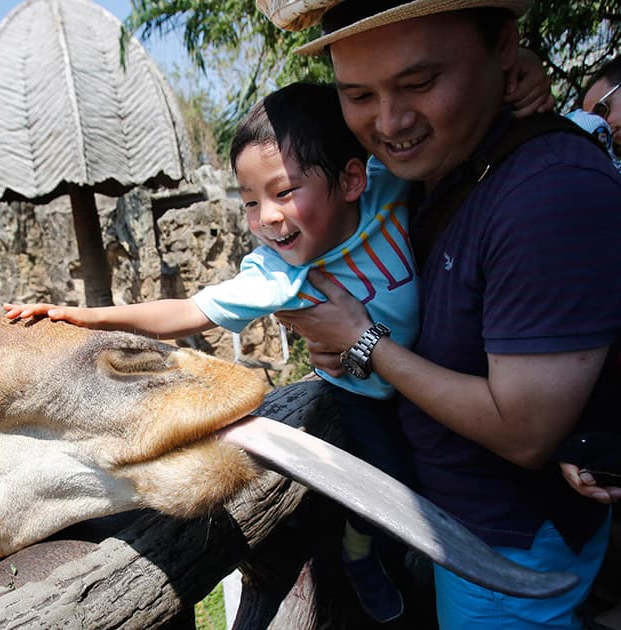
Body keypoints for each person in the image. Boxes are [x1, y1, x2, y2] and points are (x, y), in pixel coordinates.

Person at [6, 66, 554, 621]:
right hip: (363, 393)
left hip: (426, 376)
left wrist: (521, 83)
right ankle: (361, 554)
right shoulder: (278, 273)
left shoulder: (391, 188)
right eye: (249, 202)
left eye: (284, 192)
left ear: (350, 180)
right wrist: (86, 315)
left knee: (443, 480)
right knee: (391, 490)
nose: (266, 218)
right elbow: (188, 309)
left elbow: (448, 135)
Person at [254, 1, 621, 628]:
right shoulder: (434, 170)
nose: (388, 122)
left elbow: (524, 430)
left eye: (420, 83)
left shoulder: (545, 194)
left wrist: (364, 341)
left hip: (506, 554)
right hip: (467, 528)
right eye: (358, 95)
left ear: (503, 45)